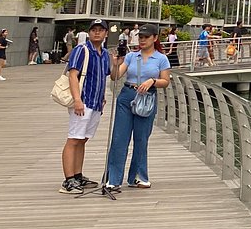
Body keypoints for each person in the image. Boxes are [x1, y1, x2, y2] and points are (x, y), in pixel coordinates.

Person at [105, 24, 172, 191]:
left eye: (146, 37)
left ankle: (138, 176)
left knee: (141, 139)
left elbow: (165, 81)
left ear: (154, 38)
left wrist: (152, 81)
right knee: (119, 138)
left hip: (147, 97)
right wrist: (115, 64)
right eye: (140, 37)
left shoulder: (161, 59)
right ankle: (113, 179)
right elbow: (115, 77)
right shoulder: (131, 56)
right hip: (127, 95)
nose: (142, 40)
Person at [60, 19, 113, 195]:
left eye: (101, 30)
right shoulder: (81, 50)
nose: (97, 33)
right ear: (89, 33)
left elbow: (107, 76)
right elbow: (73, 75)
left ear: (106, 33)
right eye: (93, 30)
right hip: (83, 102)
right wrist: (77, 99)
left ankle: (77, 175)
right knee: (74, 138)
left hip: (96, 102)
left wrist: (103, 97)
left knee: (82, 139)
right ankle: (68, 180)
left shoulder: (105, 54)